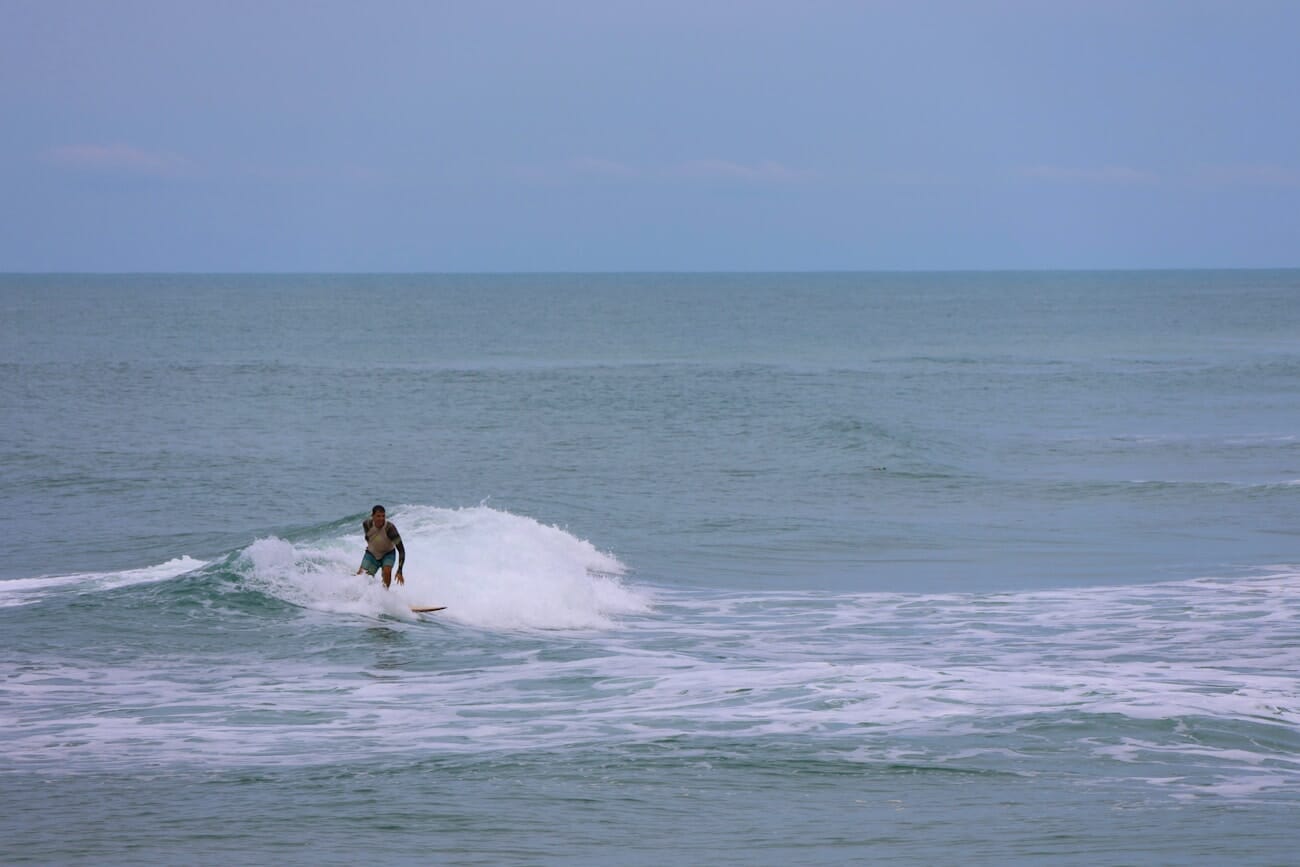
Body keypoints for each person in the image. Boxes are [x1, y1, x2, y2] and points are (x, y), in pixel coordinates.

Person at [356, 505, 406, 588]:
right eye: (378, 516)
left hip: (388, 554)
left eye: (383, 516)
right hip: (372, 554)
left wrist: (400, 570)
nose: (381, 519)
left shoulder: (390, 528)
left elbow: (401, 550)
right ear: (373, 516)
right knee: (361, 577)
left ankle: (385, 594)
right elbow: (368, 537)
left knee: (387, 571)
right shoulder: (367, 524)